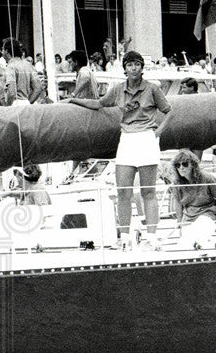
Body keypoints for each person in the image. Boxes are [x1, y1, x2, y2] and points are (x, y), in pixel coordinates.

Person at [68, 50, 172, 250]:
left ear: (142, 68)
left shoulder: (152, 89)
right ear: (124, 68)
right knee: (123, 191)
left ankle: (152, 236)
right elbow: (98, 104)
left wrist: (158, 132)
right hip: (127, 139)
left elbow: (168, 111)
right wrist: (74, 100)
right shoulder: (117, 90)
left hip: (147, 139)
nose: (133, 68)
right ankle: (124, 237)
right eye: (129, 65)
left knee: (148, 192)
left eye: (137, 64)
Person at [169, 149, 216, 249]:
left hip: (207, 213)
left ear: (193, 165)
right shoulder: (176, 183)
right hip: (189, 217)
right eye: (178, 165)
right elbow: (178, 203)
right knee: (185, 244)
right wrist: (179, 222)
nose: (181, 168)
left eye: (185, 164)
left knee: (200, 231)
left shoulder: (207, 178)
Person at [2, 36, 46, 104]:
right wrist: (29, 102)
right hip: (26, 103)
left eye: (3, 49)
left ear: (7, 51)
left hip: (15, 104)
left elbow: (11, 92)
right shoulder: (28, 65)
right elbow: (38, 87)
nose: (2, 52)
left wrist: (8, 106)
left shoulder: (10, 67)